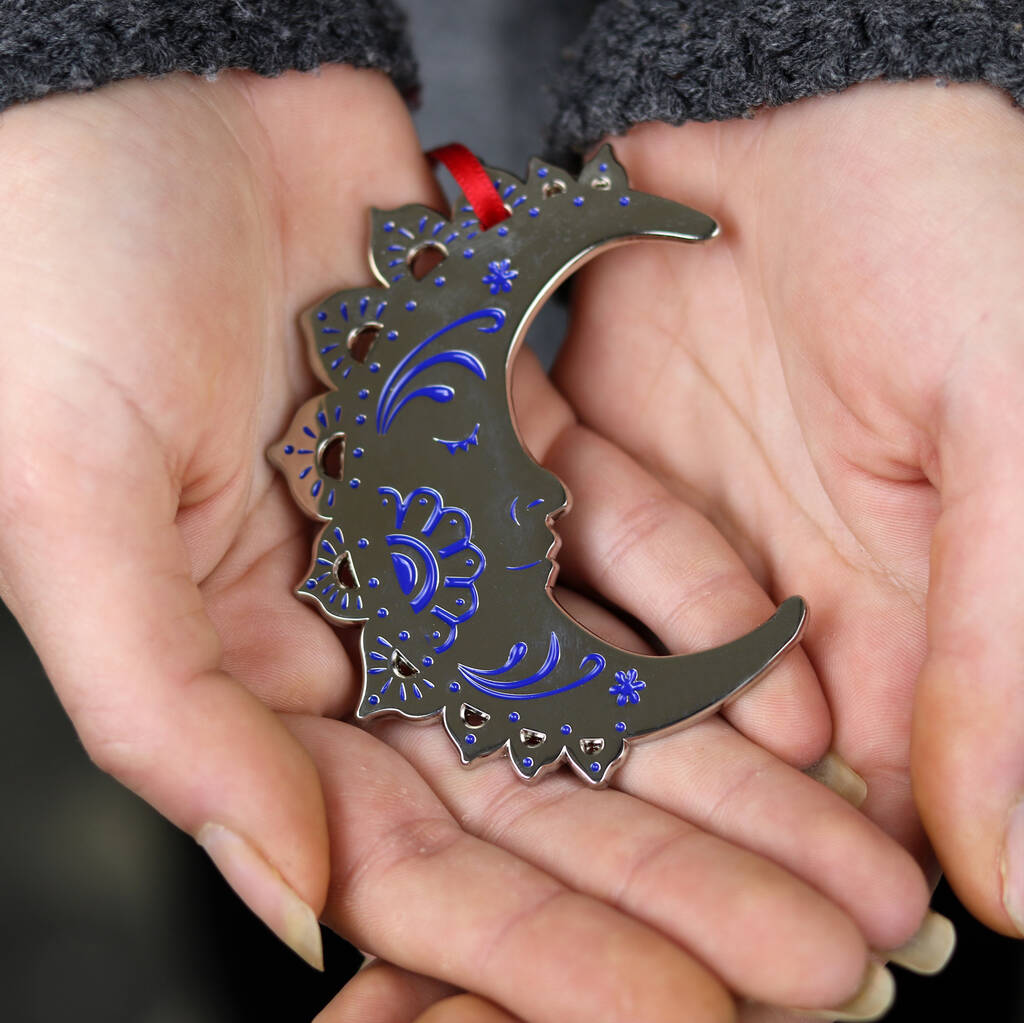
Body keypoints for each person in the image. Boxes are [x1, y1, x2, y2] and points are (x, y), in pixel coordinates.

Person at [0, 2, 1020, 1020]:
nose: (545, 494)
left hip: (697, 165)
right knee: (306, 798)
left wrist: (840, 46)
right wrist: (125, 44)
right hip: (292, 198)